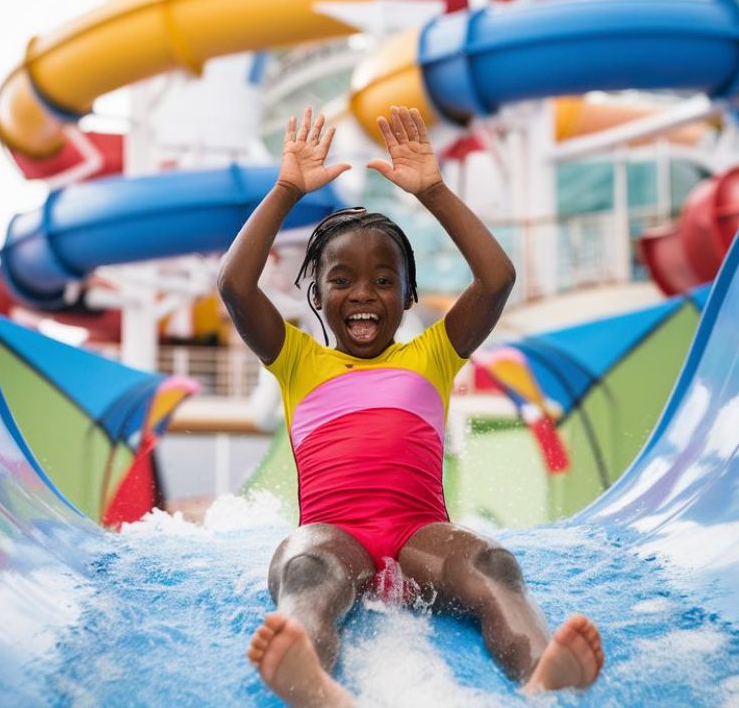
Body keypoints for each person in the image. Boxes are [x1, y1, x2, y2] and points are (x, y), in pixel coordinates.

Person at [218, 106, 604, 707]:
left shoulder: (433, 352)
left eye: (384, 280)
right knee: (305, 571)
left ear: (407, 293)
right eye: (342, 279)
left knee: (493, 565)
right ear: (316, 293)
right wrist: (286, 190)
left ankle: (540, 672)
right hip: (335, 533)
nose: (364, 294)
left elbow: (497, 277)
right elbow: (235, 286)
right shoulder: (294, 359)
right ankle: (311, 679)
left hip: (421, 537)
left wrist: (434, 190)